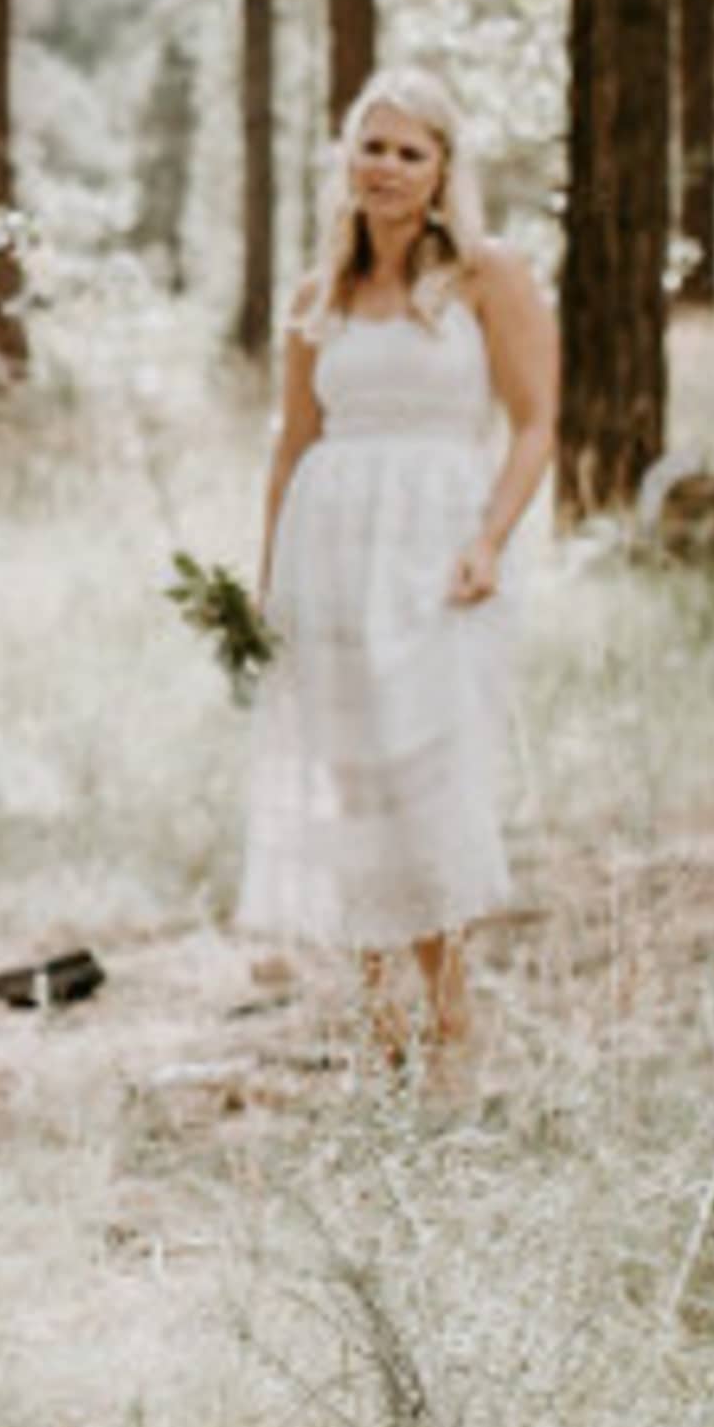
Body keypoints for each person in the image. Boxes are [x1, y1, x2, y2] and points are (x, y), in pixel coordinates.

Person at [238, 69, 557, 1087]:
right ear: (347, 157)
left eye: (409, 150)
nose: (386, 167)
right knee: (351, 780)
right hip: (328, 551)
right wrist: (263, 584)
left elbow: (537, 419)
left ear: (443, 169)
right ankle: (381, 1020)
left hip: (437, 555)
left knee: (431, 776)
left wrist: (491, 539)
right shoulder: (315, 294)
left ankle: (455, 1019)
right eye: (371, 145)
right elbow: (291, 443)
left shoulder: (486, 275)